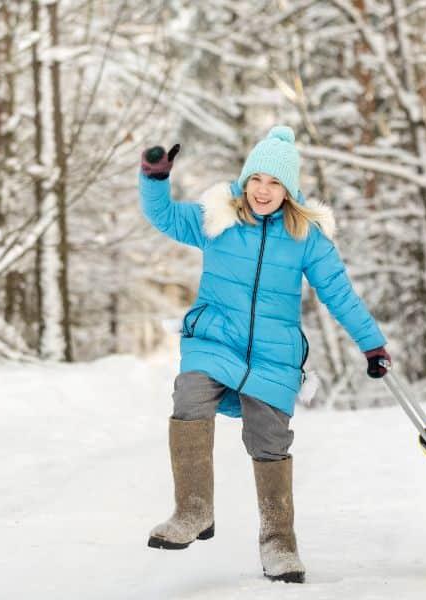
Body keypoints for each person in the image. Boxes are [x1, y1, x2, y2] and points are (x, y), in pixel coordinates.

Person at [138, 125, 391, 584]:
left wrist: (372, 344)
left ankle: (279, 542)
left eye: (274, 183)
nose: (263, 190)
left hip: (275, 355)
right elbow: (165, 218)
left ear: (288, 189)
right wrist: (155, 178)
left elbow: (338, 292)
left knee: (269, 440)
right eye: (256, 179)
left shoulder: (306, 237)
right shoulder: (218, 218)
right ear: (245, 179)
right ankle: (193, 510)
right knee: (190, 395)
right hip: (214, 339)